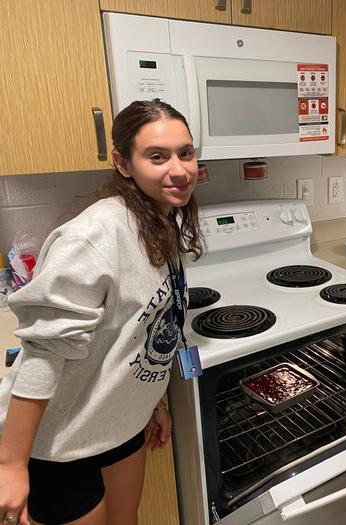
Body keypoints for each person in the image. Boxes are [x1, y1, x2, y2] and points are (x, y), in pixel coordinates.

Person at [0, 98, 202, 525]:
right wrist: (11, 466)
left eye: (186, 152)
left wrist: (151, 402)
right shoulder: (97, 235)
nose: (179, 169)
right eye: (157, 156)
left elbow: (145, 329)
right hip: (57, 439)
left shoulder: (163, 221)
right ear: (123, 163)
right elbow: (45, 352)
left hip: (117, 422)